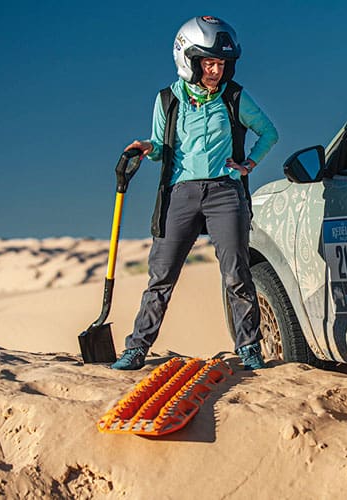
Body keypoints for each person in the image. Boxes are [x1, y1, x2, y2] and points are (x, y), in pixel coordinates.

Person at [111, 15, 278, 371]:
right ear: (188, 59)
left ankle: (249, 348)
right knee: (161, 277)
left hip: (224, 192)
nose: (215, 70)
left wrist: (248, 164)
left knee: (237, 273)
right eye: (208, 63)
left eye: (221, 63)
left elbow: (268, 132)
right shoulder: (167, 99)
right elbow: (161, 145)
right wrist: (146, 147)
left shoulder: (234, 97)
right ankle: (137, 348)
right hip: (180, 194)